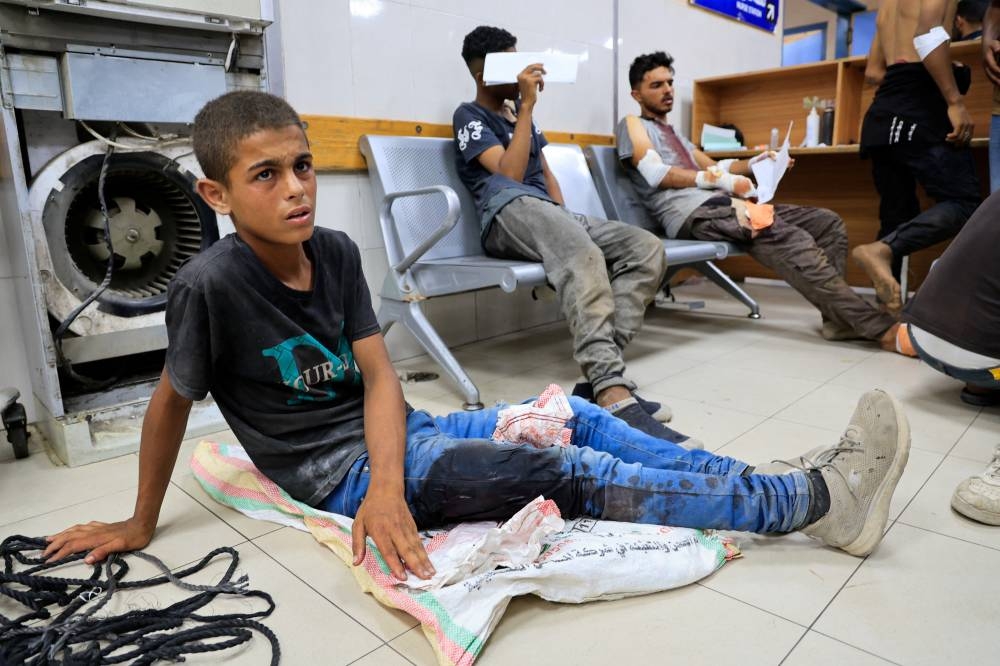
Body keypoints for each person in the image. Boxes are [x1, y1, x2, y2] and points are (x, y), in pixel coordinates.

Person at [43, 91, 912, 578]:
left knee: (583, 417)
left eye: (302, 165)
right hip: (337, 473)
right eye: (265, 176)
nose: (297, 188)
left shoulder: (333, 252)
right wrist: (139, 521)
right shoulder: (207, 286)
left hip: (401, 438)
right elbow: (170, 404)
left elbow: (381, 379)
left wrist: (396, 471)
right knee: (572, 472)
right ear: (216, 196)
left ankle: (764, 481)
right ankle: (807, 503)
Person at [452, 26, 685, 442]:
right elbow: (510, 175)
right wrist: (526, 108)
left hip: (547, 213)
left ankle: (599, 381)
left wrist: (562, 214)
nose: (523, 70)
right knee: (583, 254)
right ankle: (612, 391)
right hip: (506, 211)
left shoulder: (519, 115)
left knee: (647, 249)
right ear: (484, 73)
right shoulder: (469, 116)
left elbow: (544, 173)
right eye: (511, 62)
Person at [617, 52, 906, 351]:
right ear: (636, 94)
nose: (667, 90)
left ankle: (839, 322)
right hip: (694, 213)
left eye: (669, 82)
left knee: (827, 223)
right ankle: (881, 330)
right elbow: (655, 173)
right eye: (656, 85)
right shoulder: (632, 124)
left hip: (722, 204)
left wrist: (759, 161)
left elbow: (717, 166)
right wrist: (722, 181)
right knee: (791, 238)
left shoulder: (673, 132)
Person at [852, 0, 982, 314]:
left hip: (882, 115)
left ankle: (888, 315)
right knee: (965, 204)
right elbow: (927, 36)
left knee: (895, 215)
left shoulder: (886, 7)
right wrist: (955, 100)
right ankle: (881, 250)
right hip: (919, 108)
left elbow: (873, 72)